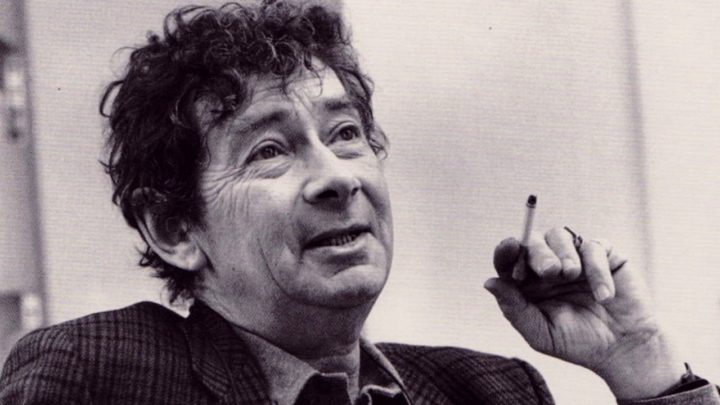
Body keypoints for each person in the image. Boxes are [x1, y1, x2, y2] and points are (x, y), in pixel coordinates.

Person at [0, 1, 718, 404]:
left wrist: (640, 362)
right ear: (175, 229)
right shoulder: (99, 372)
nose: (337, 178)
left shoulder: (491, 391)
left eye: (345, 134)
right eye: (269, 150)